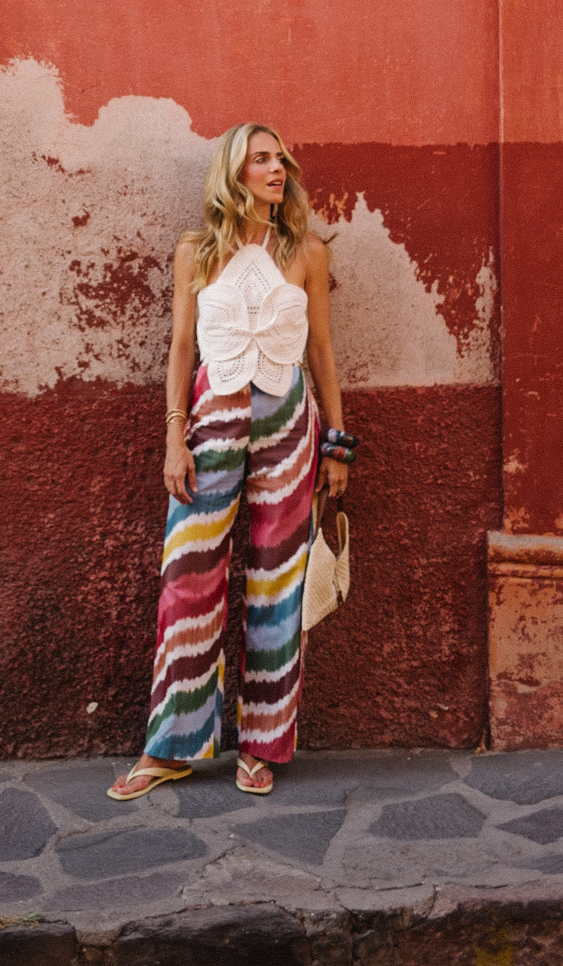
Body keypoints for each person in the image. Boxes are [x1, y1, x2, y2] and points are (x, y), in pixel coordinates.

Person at [108, 122, 351, 800]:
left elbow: (324, 354)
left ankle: (262, 745)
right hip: (211, 421)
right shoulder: (196, 252)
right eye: (262, 160)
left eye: (281, 160)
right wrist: (172, 437)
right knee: (188, 576)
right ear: (233, 174)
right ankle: (172, 746)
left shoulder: (306, 251)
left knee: (279, 583)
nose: (278, 170)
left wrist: (338, 443)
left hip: (289, 425)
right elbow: (181, 349)